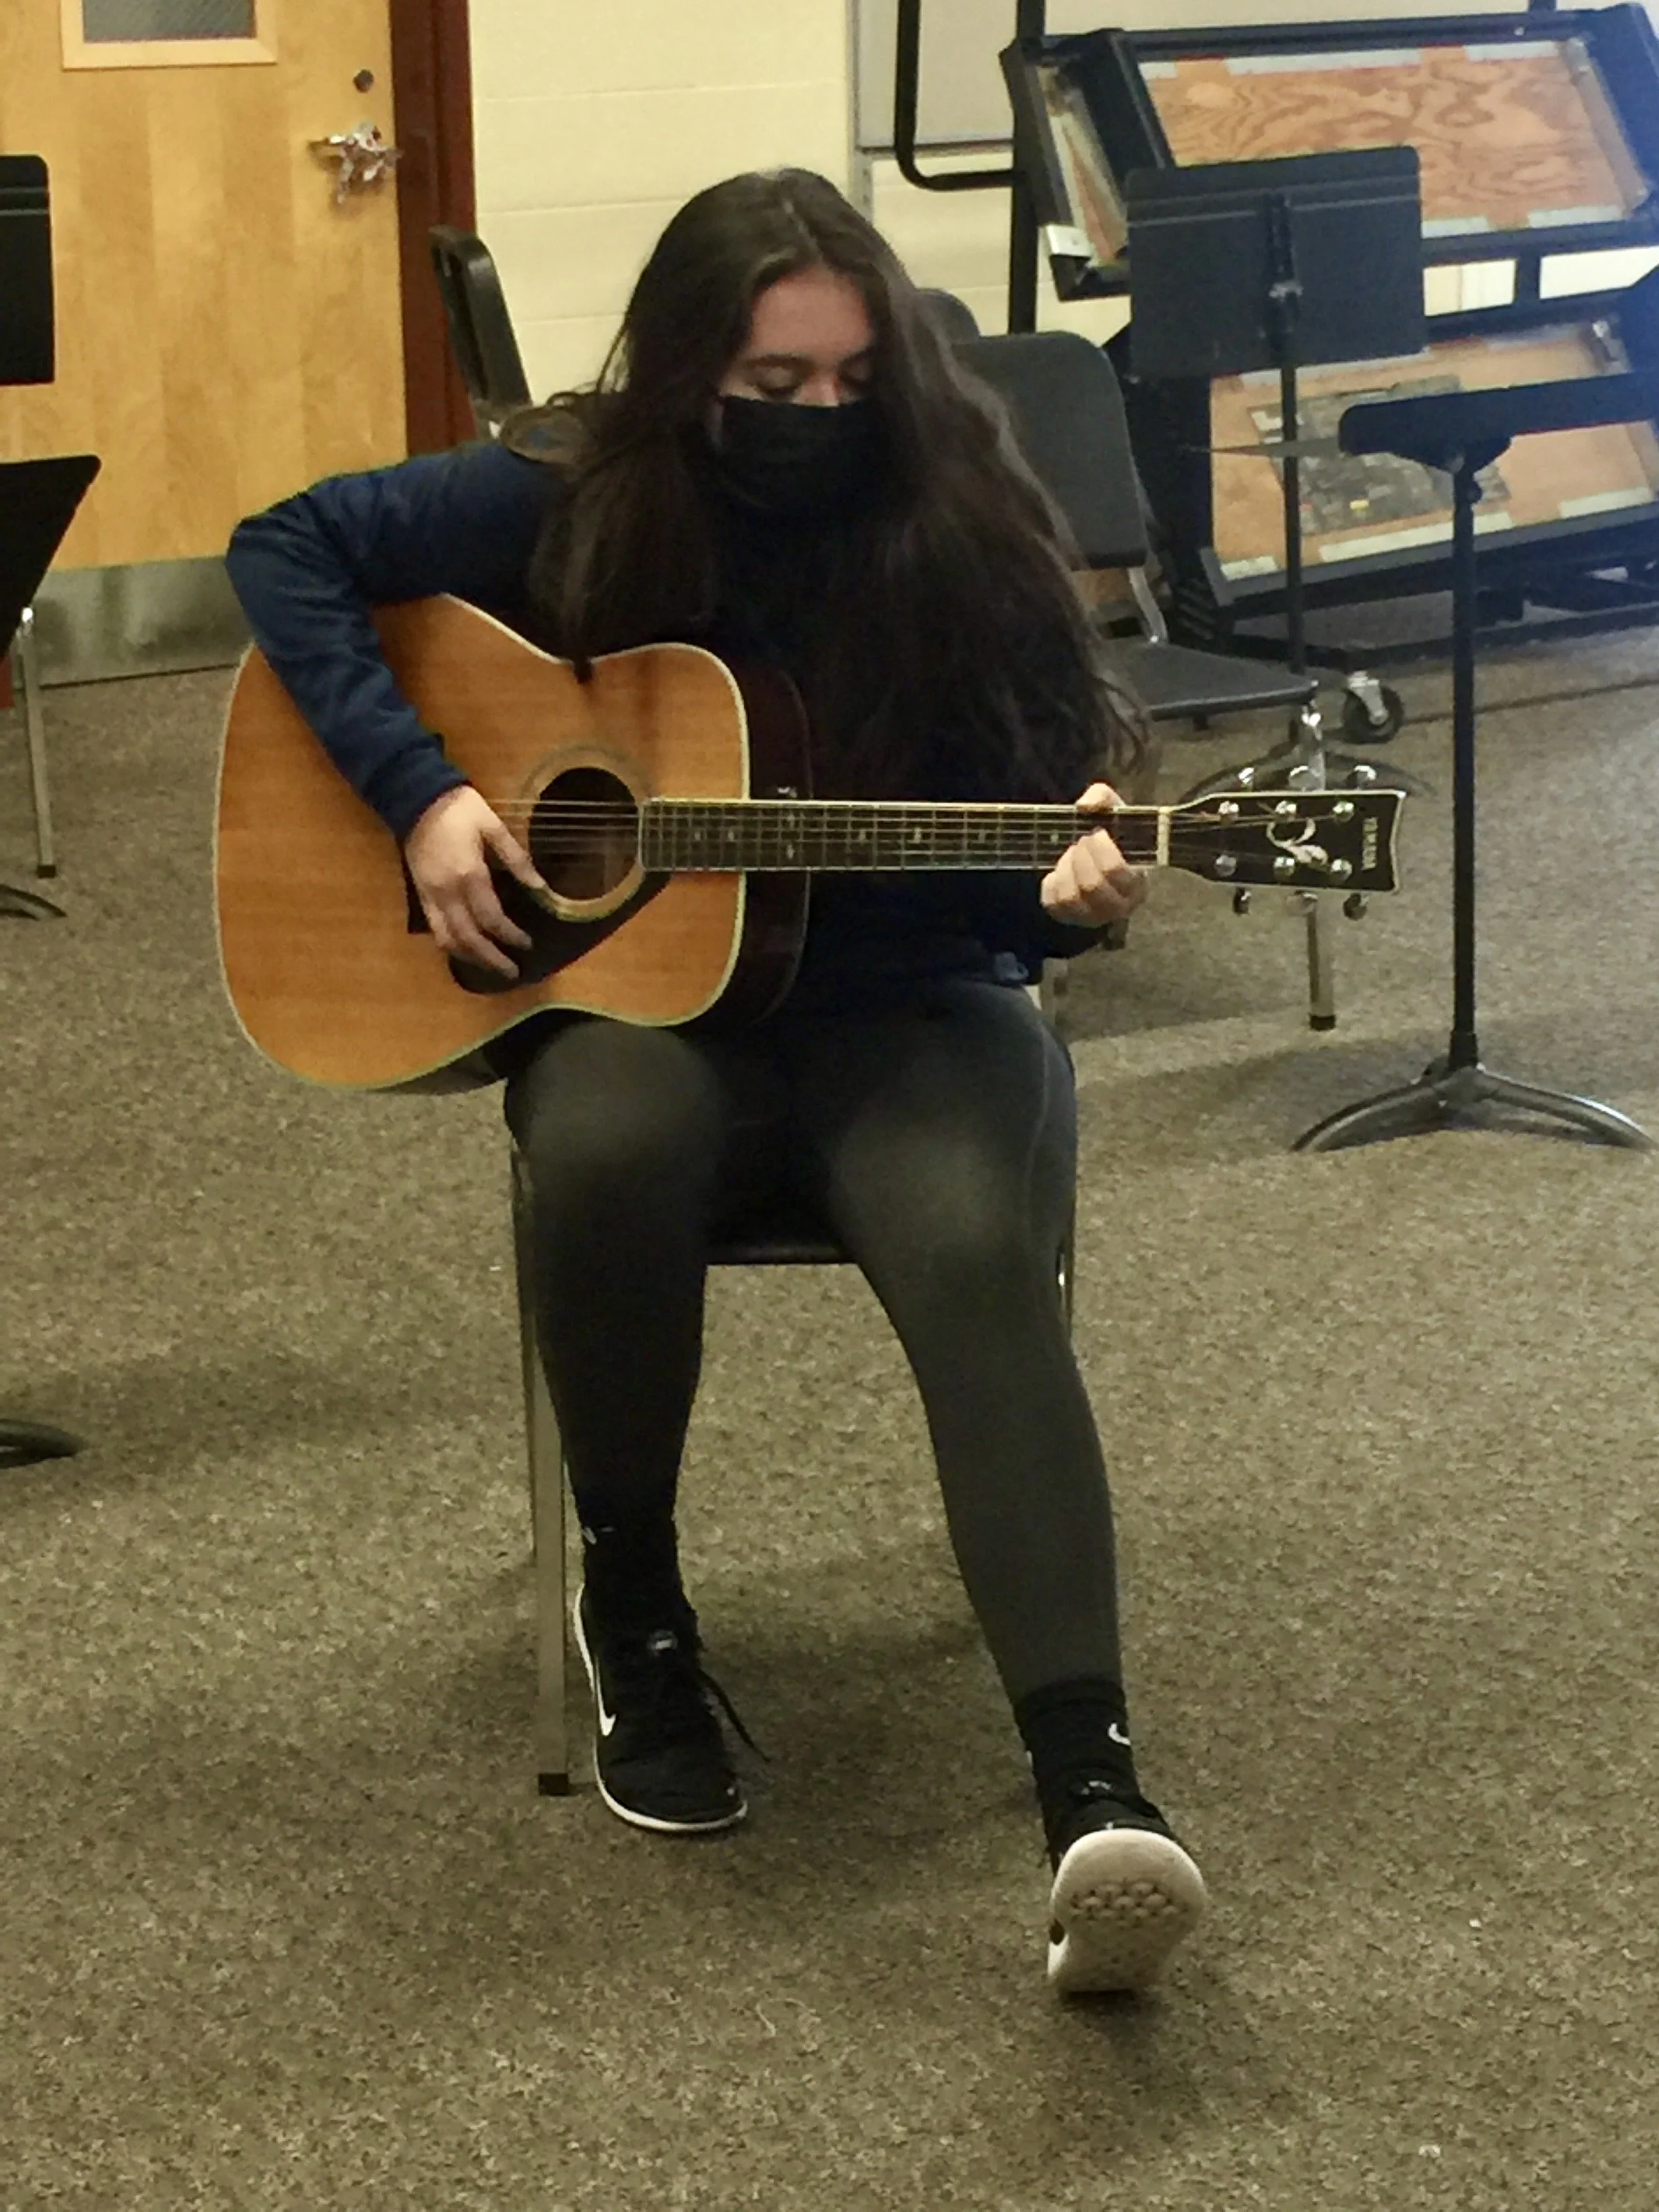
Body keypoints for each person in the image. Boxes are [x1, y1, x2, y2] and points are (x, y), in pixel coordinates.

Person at [225, 167, 1204, 1996]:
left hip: (905, 1011)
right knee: (601, 1142)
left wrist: (1074, 891)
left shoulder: (960, 515)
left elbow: (1020, 854)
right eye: (772, 389)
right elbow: (284, 546)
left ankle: (1095, 1789)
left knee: (981, 1248)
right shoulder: (575, 488)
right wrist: (427, 795)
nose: (818, 422)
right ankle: (637, 1603)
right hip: (644, 1012)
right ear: (691, 373)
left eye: (851, 384)